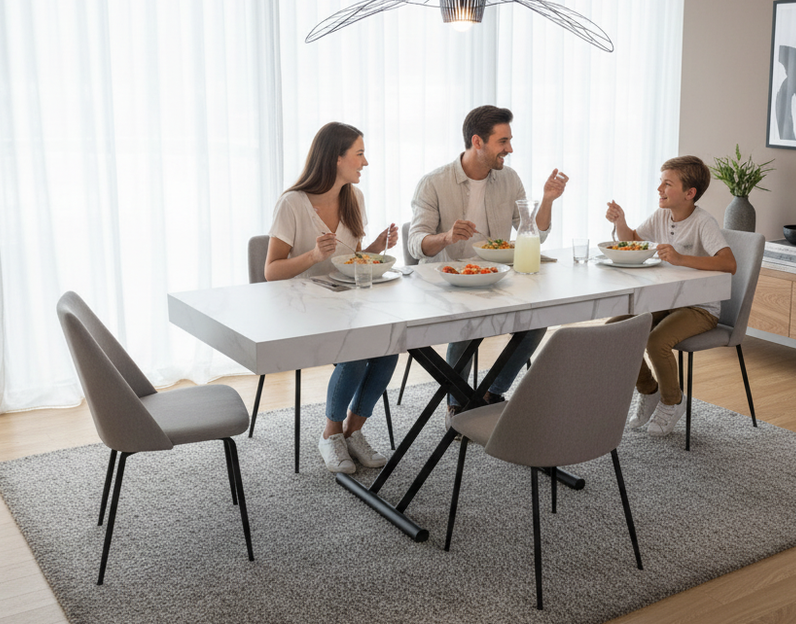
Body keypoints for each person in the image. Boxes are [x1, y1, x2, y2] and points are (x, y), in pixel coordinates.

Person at [408, 105, 568, 419]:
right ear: (478, 142)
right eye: (503, 141)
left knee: (536, 321)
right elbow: (417, 243)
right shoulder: (433, 182)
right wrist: (446, 237)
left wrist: (547, 200)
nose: (509, 149)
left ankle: (489, 393)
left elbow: (532, 233)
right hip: (452, 280)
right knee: (467, 324)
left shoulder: (509, 178)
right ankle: (458, 403)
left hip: (499, 276)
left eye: (509, 141)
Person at [265, 122, 400, 474]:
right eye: (359, 154)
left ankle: (352, 432)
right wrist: (311, 256)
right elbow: (271, 271)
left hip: (344, 304)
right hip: (300, 309)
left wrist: (376, 248)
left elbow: (351, 260)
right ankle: (329, 434)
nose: (365, 162)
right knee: (355, 356)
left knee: (388, 349)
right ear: (336, 159)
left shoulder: (353, 198)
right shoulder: (292, 203)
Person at [605, 155, 737, 437]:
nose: (659, 189)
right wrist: (621, 221)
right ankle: (649, 390)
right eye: (660, 182)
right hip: (665, 301)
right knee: (614, 330)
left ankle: (672, 400)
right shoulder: (662, 215)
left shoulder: (704, 222)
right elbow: (634, 242)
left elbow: (729, 264)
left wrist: (680, 258)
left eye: (667, 184)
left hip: (700, 308)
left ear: (690, 194)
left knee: (656, 342)